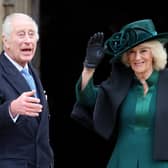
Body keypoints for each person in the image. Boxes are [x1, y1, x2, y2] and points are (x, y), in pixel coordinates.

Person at [71, 19, 168, 167]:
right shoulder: (120, 84)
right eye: (132, 52)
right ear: (126, 58)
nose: (137, 58)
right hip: (122, 160)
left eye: (143, 51)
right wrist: (89, 67)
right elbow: (87, 99)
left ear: (154, 53)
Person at [0, 13, 54, 168]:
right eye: (21, 34)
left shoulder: (32, 72)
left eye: (31, 34)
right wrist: (11, 109)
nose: (28, 40)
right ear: (6, 41)